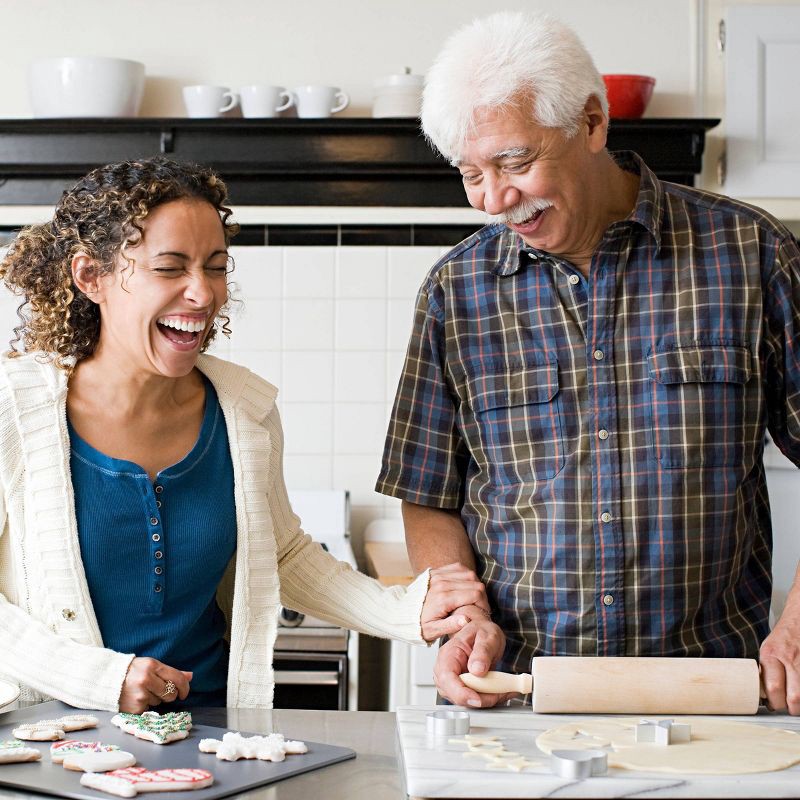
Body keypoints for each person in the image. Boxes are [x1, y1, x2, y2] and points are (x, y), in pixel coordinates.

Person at [376, 10, 800, 714]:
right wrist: (460, 611)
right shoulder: (457, 292)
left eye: (514, 162)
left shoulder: (751, 256)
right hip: (517, 694)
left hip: (711, 694)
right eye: (470, 174)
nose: (493, 199)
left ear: (593, 122)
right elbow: (429, 493)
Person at [0, 156, 489, 713]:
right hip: (55, 747)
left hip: (209, 738)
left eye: (215, 266)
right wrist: (99, 679)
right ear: (92, 277)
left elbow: (281, 554)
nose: (202, 294)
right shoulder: (14, 410)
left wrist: (406, 611)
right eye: (170, 268)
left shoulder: (243, 410)